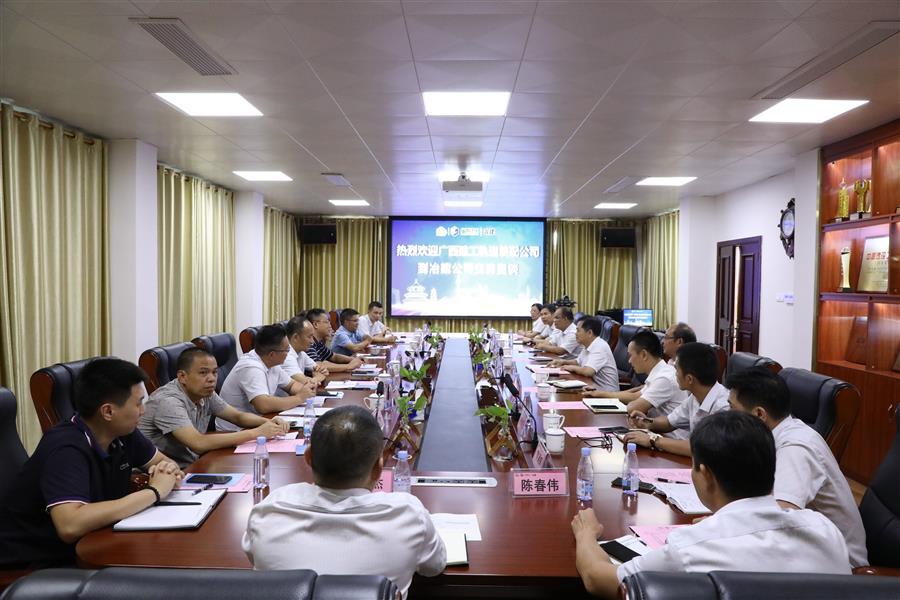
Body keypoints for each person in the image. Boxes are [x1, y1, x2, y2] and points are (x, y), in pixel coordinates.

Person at [571, 411, 852, 598]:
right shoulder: (825, 530)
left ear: (705, 475)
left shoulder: (691, 547)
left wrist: (586, 534)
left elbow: (599, 580)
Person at [242, 405, 446, 598]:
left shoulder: (268, 511)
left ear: (308, 458)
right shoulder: (408, 514)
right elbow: (434, 567)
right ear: (378, 468)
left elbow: (254, 556)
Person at [0, 358, 184, 567]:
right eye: (138, 403)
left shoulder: (123, 432)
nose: (143, 410)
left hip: (93, 542)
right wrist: (154, 491)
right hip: (34, 562)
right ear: (108, 411)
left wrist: (168, 470)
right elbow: (70, 526)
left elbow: (163, 462)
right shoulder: (65, 448)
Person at [727, 367, 867, 567]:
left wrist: (723, 526)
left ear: (759, 414)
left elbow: (779, 519)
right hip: (804, 549)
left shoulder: (796, 447)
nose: (728, 415)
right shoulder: (770, 435)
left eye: (732, 408)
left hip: (838, 565)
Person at [139, 347, 290, 468]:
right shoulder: (168, 401)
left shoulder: (205, 392)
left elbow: (237, 417)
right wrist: (257, 433)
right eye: (203, 372)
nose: (211, 379)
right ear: (182, 376)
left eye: (214, 372)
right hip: (162, 473)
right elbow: (198, 443)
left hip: (191, 463)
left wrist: (269, 423)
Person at [623, 342, 729, 456]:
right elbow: (669, 422)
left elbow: (702, 448)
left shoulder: (723, 407)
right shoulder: (695, 397)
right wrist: (646, 422)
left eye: (676, 369)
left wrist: (653, 440)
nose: (675, 374)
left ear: (689, 379)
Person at [217, 325, 315, 431]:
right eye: (287, 350)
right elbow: (263, 405)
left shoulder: (271, 362)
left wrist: (305, 390)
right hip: (236, 430)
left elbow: (291, 385)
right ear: (272, 354)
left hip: (261, 422)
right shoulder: (251, 367)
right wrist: (299, 398)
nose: (289, 353)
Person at [587, 330, 686, 433]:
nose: (629, 361)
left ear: (643, 354)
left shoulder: (664, 378)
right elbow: (636, 396)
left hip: (667, 438)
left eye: (630, 355)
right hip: (654, 431)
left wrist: (602, 395)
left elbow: (633, 407)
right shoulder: (659, 372)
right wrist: (599, 393)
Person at [548, 317, 618, 392]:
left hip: (606, 393)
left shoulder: (600, 347)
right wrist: (562, 362)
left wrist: (571, 368)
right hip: (591, 387)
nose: (575, 333)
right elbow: (578, 361)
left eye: (578, 330)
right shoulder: (588, 344)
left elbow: (588, 371)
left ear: (589, 333)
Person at [305, 308, 363, 372]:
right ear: (315, 324)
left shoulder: (318, 342)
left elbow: (333, 356)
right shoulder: (308, 343)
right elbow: (317, 365)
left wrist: (353, 359)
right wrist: (348, 366)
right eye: (327, 322)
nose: (330, 325)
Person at [281, 314, 328, 386]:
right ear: (295, 337)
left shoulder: (301, 353)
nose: (312, 341)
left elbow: (321, 370)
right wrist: (317, 378)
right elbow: (306, 383)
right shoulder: (286, 356)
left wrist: (318, 374)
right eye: (309, 337)